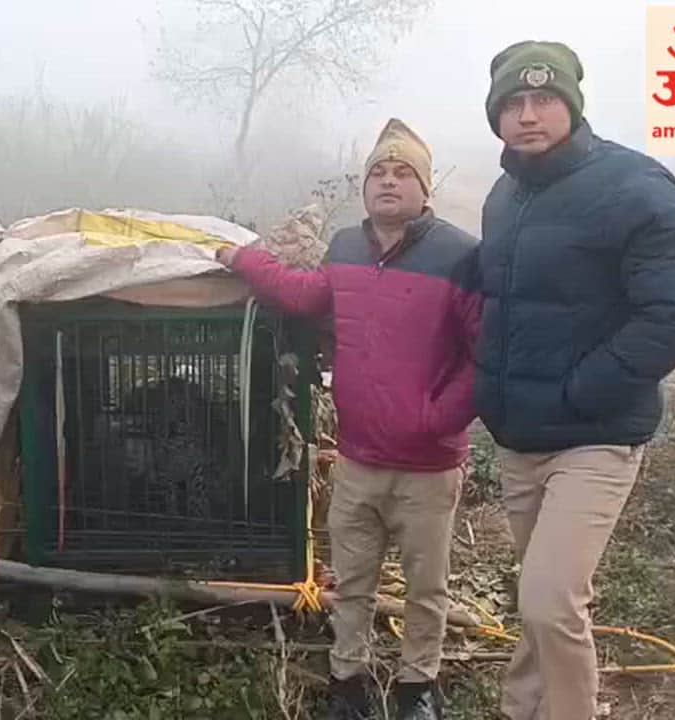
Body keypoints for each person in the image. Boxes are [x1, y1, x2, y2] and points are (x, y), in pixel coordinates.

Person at [476, 41, 675, 720]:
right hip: (520, 436)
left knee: (550, 602)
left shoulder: (634, 186)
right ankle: (522, 708)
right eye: (512, 103)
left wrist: (583, 391)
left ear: (572, 107)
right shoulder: (505, 194)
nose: (528, 116)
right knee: (537, 599)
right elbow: (497, 302)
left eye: (543, 100)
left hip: (595, 436)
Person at [218, 118, 481, 720]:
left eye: (403, 172)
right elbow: (306, 295)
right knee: (353, 581)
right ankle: (348, 681)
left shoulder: (461, 255)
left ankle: (418, 688)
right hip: (359, 459)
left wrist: (438, 418)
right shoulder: (345, 247)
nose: (388, 182)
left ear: (426, 187)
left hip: (428, 465)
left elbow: (486, 353)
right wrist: (241, 258)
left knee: (426, 587)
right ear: (364, 188)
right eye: (378, 173)